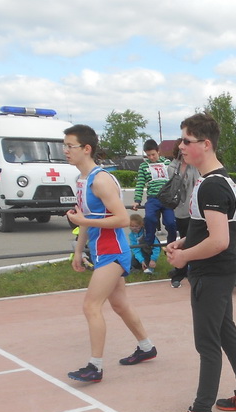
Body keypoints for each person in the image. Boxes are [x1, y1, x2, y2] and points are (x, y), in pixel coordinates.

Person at [164, 112, 236, 412]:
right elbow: (212, 230)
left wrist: (184, 258)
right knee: (225, 334)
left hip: (212, 274)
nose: (181, 147)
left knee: (207, 343)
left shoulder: (212, 186)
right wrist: (183, 243)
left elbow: (219, 240)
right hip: (217, 271)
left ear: (205, 145)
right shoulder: (217, 181)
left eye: (186, 141)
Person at [64, 124, 157, 383]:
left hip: (114, 251)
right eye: (65, 146)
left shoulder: (101, 180)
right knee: (119, 304)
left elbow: (123, 219)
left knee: (91, 305)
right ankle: (147, 347)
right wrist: (79, 251)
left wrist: (86, 221)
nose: (65, 151)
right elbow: (86, 219)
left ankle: (95, 367)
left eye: (70, 146)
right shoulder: (82, 181)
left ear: (86, 148)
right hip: (101, 250)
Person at [167, 147, 201, 288]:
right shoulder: (172, 167)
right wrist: (183, 167)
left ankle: (195, 271)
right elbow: (179, 185)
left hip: (195, 209)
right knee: (182, 241)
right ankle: (179, 272)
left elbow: (199, 181)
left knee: (196, 240)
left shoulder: (194, 165)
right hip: (181, 209)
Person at [133, 139, 177, 246]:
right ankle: (148, 242)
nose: (151, 158)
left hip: (167, 198)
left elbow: (174, 180)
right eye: (148, 155)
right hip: (153, 198)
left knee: (171, 222)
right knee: (149, 218)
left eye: (153, 154)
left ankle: (171, 244)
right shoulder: (143, 166)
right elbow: (140, 183)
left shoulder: (167, 163)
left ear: (158, 151)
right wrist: (137, 200)